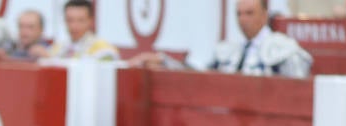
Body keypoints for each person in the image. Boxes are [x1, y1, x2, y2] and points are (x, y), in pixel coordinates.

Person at [134, 0, 312, 77]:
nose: (243, 20)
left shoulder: (283, 48)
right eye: (239, 14)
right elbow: (198, 75)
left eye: (249, 13)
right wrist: (163, 61)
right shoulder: (229, 50)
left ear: (265, 15)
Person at [45, 0, 118, 61]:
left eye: (81, 20)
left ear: (90, 21)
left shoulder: (104, 49)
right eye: (70, 20)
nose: (74, 26)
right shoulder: (58, 47)